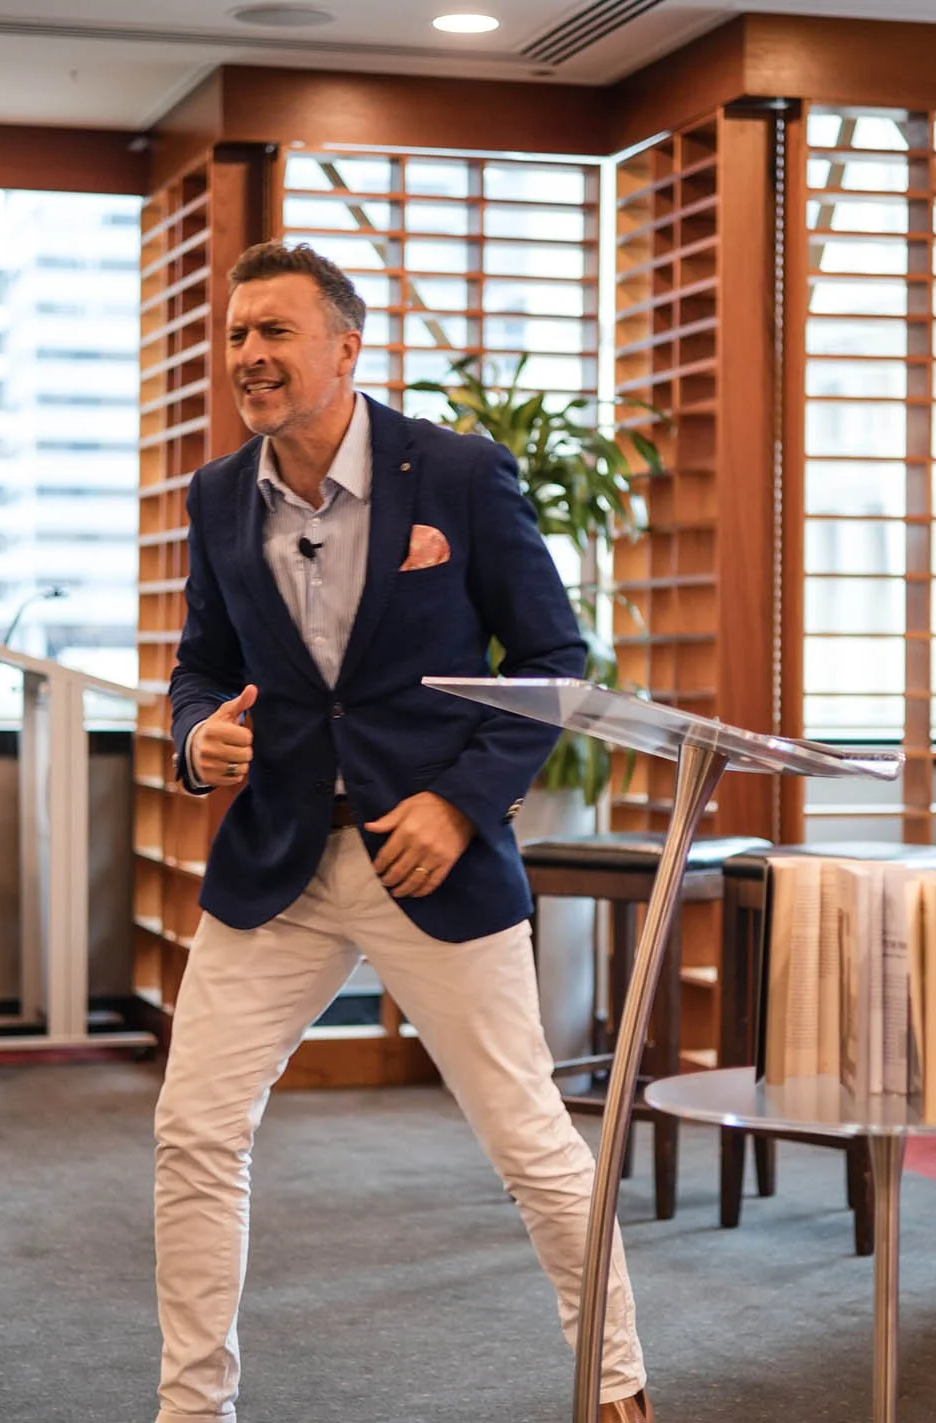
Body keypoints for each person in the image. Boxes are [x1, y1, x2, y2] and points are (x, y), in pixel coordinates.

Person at [154, 240, 652, 1423]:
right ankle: (190, 1408)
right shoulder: (220, 493)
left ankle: (617, 1389)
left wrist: (459, 801)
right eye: (235, 336)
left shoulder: (462, 477)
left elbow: (550, 663)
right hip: (276, 859)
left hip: (429, 856)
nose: (249, 357)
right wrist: (195, 743)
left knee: (530, 1140)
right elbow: (201, 667)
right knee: (193, 1134)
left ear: (345, 347)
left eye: (274, 332)